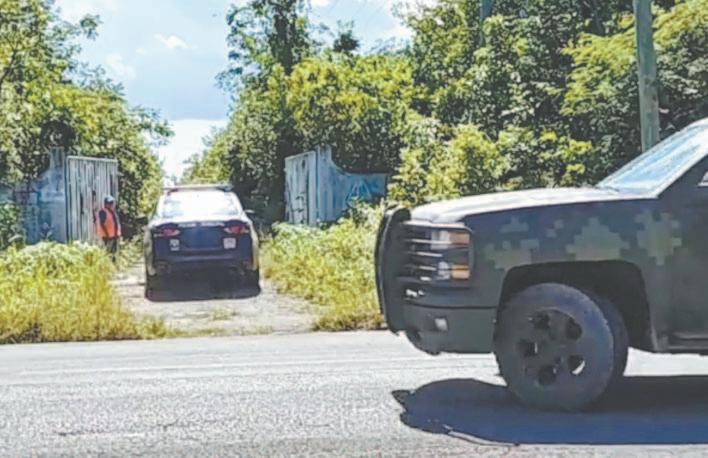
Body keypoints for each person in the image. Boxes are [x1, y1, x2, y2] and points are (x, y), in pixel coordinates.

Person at [95, 195, 122, 262]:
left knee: (114, 252)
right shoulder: (103, 212)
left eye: (111, 203)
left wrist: (118, 234)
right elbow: (102, 224)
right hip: (108, 236)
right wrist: (107, 234)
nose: (111, 204)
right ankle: (107, 264)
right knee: (108, 252)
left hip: (115, 235)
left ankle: (114, 264)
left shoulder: (113, 212)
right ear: (105, 203)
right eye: (109, 203)